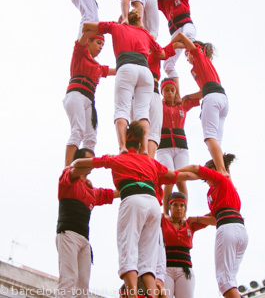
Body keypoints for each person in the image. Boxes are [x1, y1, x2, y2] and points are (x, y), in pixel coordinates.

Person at [71, 121, 188, 298]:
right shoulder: (150, 161)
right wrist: (202, 173)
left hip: (132, 201)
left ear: (126, 139)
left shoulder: (117, 158)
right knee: (147, 257)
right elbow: (176, 175)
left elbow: (78, 163)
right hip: (153, 205)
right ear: (142, 141)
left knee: (129, 250)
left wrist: (78, 170)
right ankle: (151, 294)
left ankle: (132, 294)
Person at [82, 9, 170, 155]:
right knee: (142, 112)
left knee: (122, 109)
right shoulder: (145, 34)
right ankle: (144, 149)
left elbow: (86, 26)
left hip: (126, 67)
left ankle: (122, 147)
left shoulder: (116, 27)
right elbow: (161, 53)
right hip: (145, 71)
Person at [178, 154, 249, 298]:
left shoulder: (220, 178)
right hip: (240, 230)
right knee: (230, 280)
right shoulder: (224, 189)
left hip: (227, 228)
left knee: (224, 282)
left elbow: (194, 168)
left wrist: (171, 173)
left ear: (212, 170)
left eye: (205, 177)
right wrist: (197, 219)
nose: (205, 180)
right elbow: (215, 218)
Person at [55, 148, 119, 298]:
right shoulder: (68, 177)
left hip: (84, 240)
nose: (92, 162)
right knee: (68, 278)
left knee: (83, 286)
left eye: (93, 159)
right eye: (88, 159)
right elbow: (74, 171)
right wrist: (103, 161)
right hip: (68, 235)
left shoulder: (92, 192)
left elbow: (116, 193)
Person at [178, 33, 229, 175]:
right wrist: (187, 97)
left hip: (212, 98)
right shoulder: (200, 67)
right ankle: (225, 172)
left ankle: (221, 171)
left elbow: (192, 45)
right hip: (222, 99)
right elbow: (202, 91)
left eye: (186, 54)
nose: (187, 59)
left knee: (209, 137)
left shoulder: (200, 57)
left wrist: (178, 42)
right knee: (216, 142)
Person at [63, 30, 115, 166]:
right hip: (76, 95)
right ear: (89, 42)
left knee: (91, 138)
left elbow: (117, 70)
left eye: (102, 45)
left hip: (89, 101)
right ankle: (67, 168)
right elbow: (82, 38)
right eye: (98, 43)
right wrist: (96, 28)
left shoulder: (99, 67)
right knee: (78, 130)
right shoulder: (80, 54)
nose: (100, 47)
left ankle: (83, 173)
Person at [156, 78, 201, 212]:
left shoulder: (182, 104)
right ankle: (165, 213)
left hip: (181, 148)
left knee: (181, 180)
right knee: (169, 178)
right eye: (166, 90)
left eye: (172, 90)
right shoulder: (158, 105)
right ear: (161, 92)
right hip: (164, 148)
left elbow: (203, 93)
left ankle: (183, 214)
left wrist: (186, 96)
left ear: (176, 91)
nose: (170, 93)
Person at [161, 192, 215, 298]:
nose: (179, 208)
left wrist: (197, 218)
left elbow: (215, 217)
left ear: (185, 208)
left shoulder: (190, 224)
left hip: (185, 270)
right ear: (169, 207)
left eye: (182, 205)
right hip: (165, 269)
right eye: (175, 205)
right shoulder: (162, 221)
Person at [158, 0, 196, 92]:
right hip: (175, 33)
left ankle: (194, 49)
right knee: (167, 64)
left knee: (188, 36)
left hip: (186, 25)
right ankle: (176, 94)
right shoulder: (164, 2)